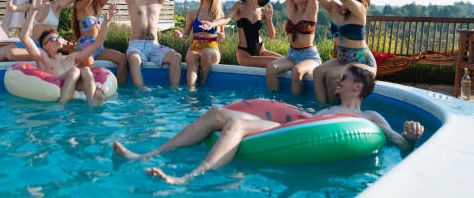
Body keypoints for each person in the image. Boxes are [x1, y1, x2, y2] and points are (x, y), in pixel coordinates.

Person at [112, 65, 424, 184]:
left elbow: (398, 142)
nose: (338, 81)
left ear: (358, 87)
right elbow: (301, 121)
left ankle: (186, 179)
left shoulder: (371, 118)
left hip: (301, 137)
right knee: (217, 112)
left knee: (234, 123)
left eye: (345, 79)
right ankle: (148, 155)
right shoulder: (328, 107)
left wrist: (410, 137)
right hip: (288, 130)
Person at [285, 0, 376, 103]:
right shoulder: (334, 8)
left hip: (362, 61)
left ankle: (333, 112)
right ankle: (321, 109)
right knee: (318, 72)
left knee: (332, 75)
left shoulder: (360, 11)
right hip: (342, 59)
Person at [19, 0, 119, 106]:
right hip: (56, 86)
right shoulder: (43, 57)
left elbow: (97, 44)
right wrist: (33, 11)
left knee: (86, 70)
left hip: (75, 85)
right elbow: (24, 37)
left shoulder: (72, 58)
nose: (57, 40)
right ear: (44, 46)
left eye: (58, 38)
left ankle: (93, 102)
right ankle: (62, 105)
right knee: (75, 70)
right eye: (52, 39)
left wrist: (106, 21)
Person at [0, 0, 98, 62]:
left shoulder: (56, 5)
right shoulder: (31, 5)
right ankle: (39, 56)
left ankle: (44, 56)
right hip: (32, 42)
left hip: (50, 44)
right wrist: (9, 0)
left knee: (11, 54)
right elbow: (12, 8)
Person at [266, 0, 321, 94]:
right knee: (271, 68)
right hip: (292, 54)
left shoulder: (311, 11)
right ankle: (275, 103)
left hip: (309, 56)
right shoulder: (291, 9)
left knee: (297, 71)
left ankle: (296, 107)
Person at [125, 0, 182, 88]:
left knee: (176, 57)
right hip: (137, 45)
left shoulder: (158, 0)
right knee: (133, 58)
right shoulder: (133, 0)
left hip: (154, 45)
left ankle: (174, 90)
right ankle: (141, 90)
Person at [200, 0, 282, 68]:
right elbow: (226, 19)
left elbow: (272, 36)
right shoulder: (239, 6)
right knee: (278, 62)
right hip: (245, 54)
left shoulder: (263, 10)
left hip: (261, 50)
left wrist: (269, 19)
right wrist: (212, 23)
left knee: (287, 62)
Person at [72, 0, 128, 84]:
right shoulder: (79, 7)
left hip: (99, 47)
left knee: (123, 59)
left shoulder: (97, 6)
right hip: (84, 48)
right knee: (89, 62)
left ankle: (120, 90)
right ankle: (87, 86)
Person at [173, 0, 225, 91]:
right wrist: (181, 35)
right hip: (194, 47)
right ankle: (191, 90)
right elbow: (186, 35)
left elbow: (222, 37)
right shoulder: (192, 14)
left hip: (212, 49)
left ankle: (201, 86)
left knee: (206, 52)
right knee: (192, 57)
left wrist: (221, 35)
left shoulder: (219, 15)